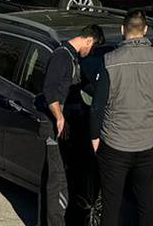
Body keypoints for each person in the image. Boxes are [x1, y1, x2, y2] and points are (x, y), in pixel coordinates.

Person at [94, 12, 153, 226]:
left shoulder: (110, 61)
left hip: (115, 143)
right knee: (146, 202)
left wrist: (95, 138)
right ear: (145, 30)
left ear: (122, 30)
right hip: (147, 143)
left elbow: (98, 105)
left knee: (111, 204)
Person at [38, 23, 104, 226]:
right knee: (57, 179)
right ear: (89, 40)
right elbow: (50, 91)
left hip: (70, 127)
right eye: (92, 48)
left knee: (69, 176)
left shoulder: (74, 59)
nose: (90, 53)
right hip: (54, 127)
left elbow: (86, 86)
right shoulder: (61, 56)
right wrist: (59, 117)